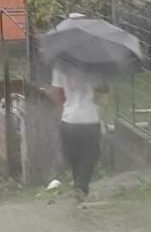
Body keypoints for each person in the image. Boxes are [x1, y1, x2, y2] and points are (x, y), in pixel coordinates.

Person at [51, 62, 101, 200]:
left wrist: (62, 111)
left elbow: (57, 92)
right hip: (90, 118)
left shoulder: (60, 65)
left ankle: (79, 186)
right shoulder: (94, 64)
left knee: (74, 156)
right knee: (91, 154)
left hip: (69, 119)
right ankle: (80, 186)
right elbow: (101, 90)